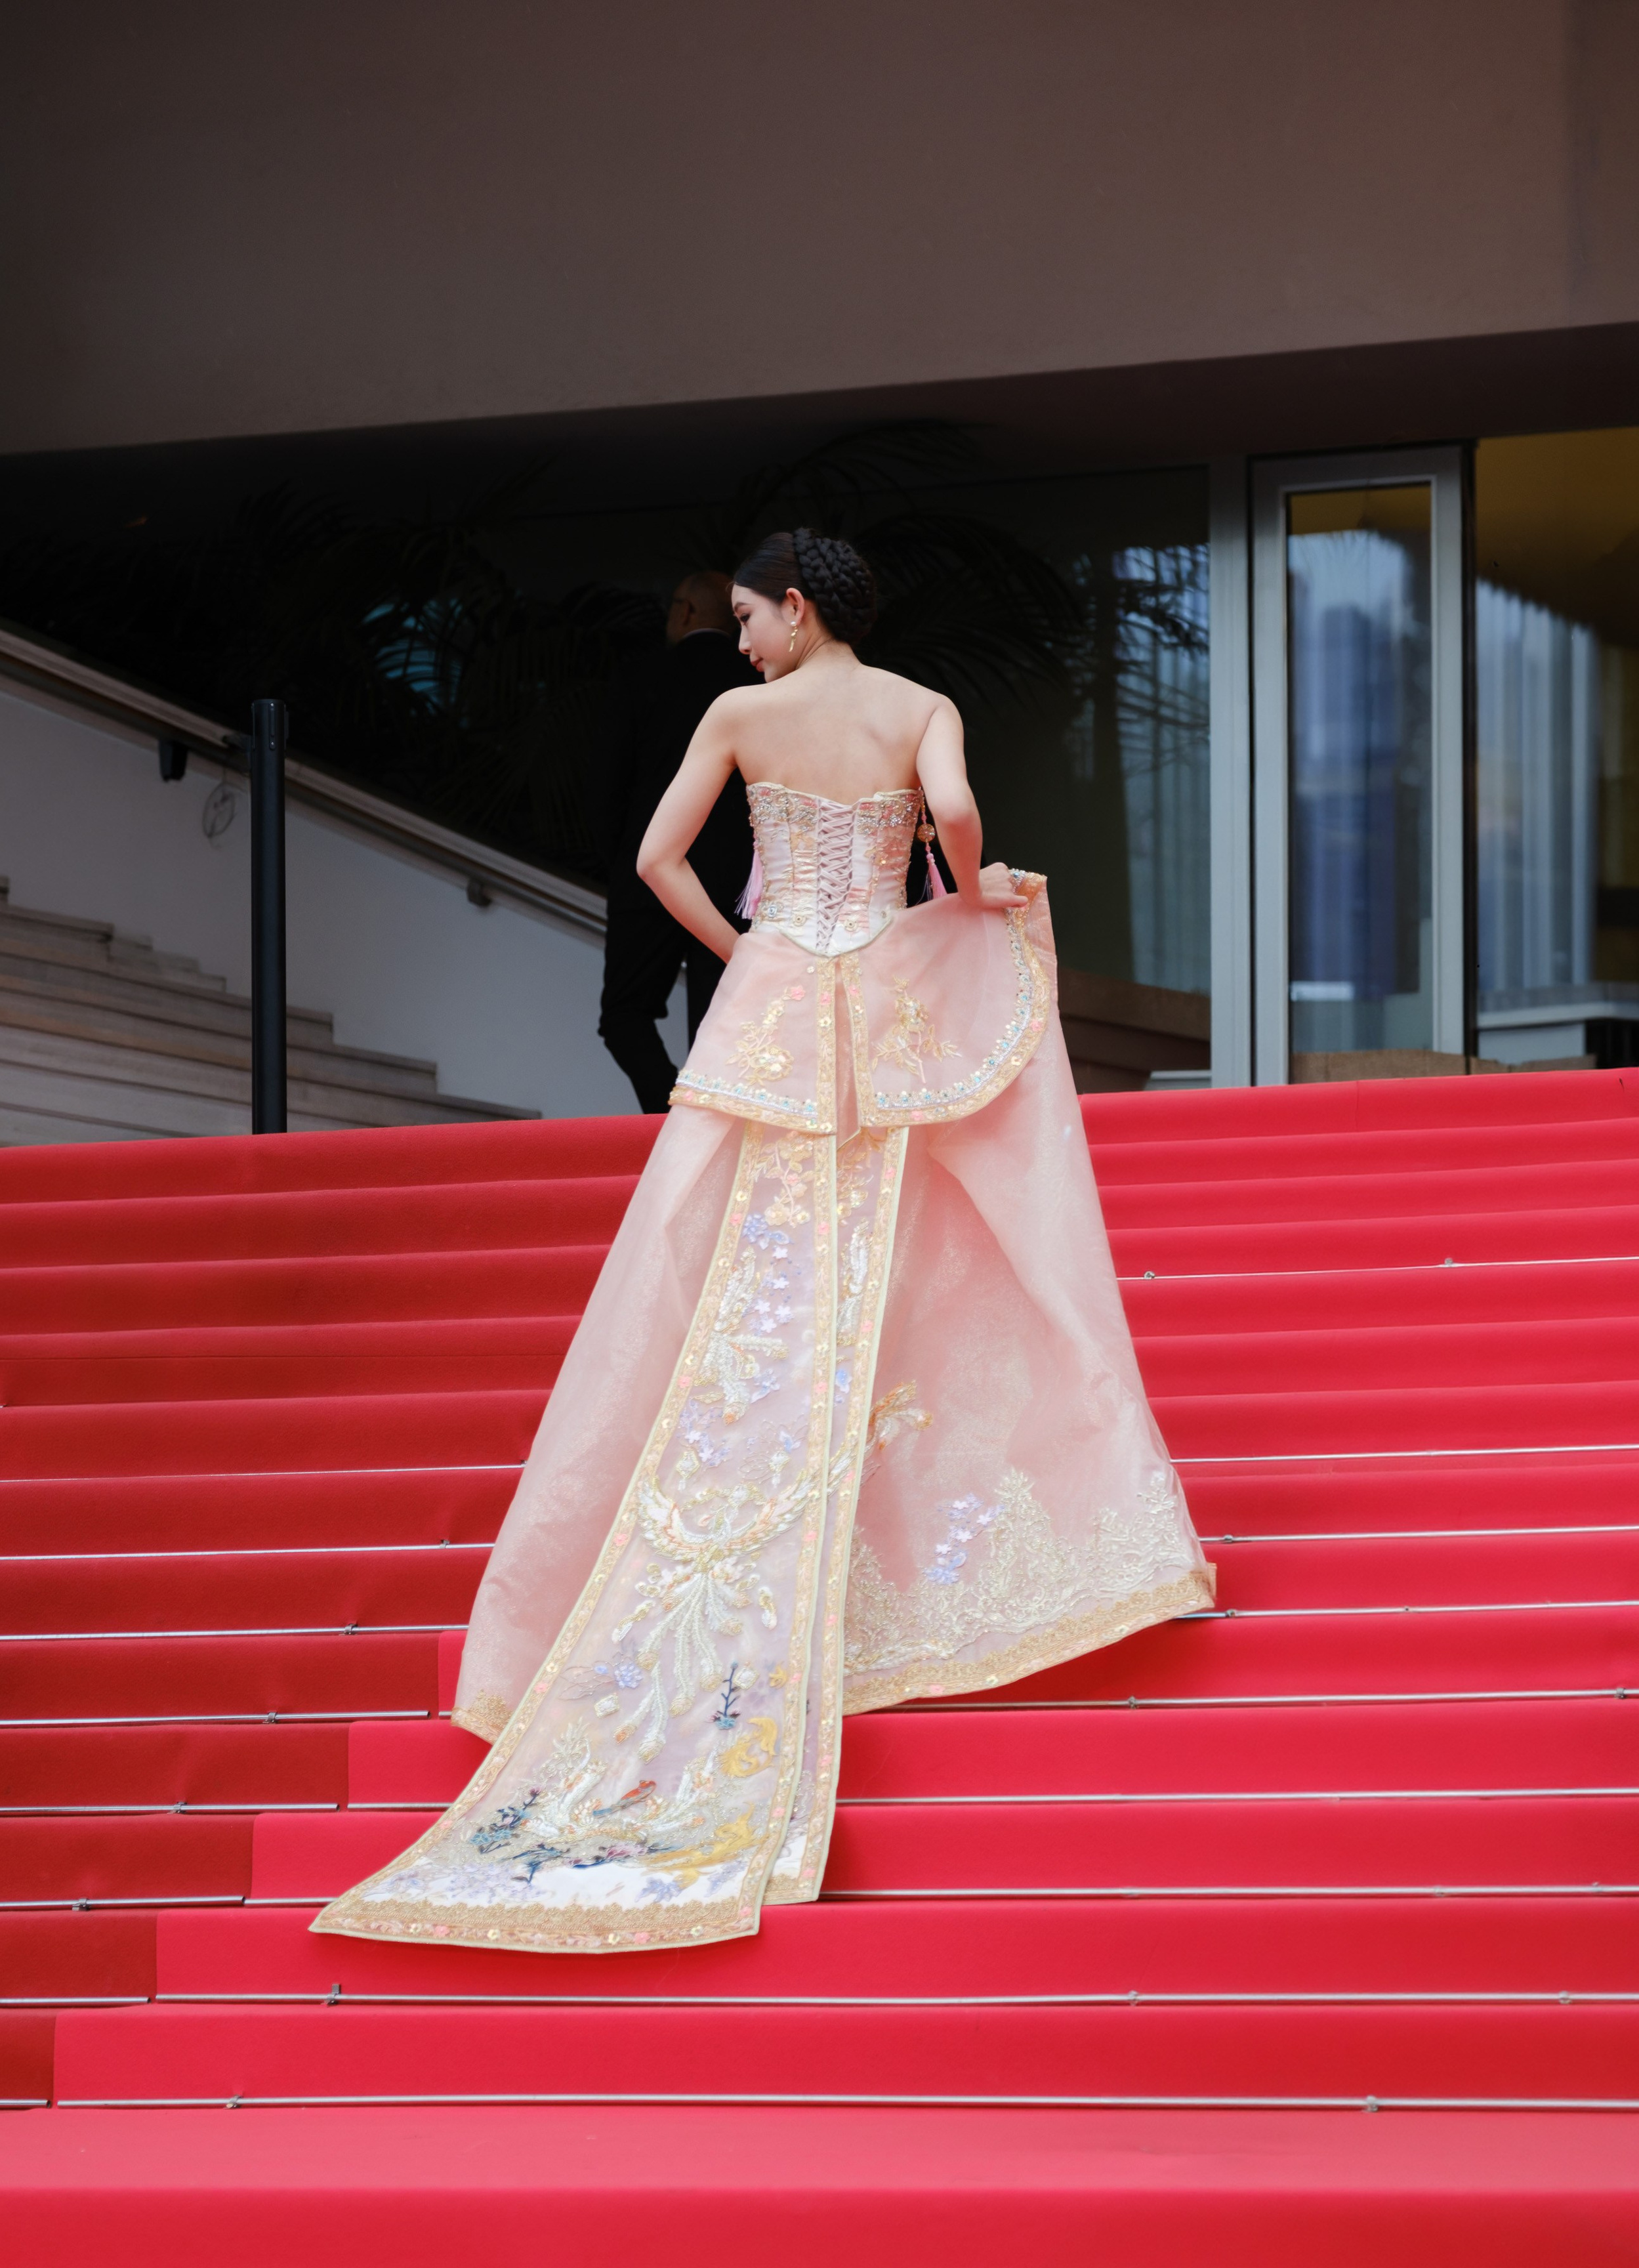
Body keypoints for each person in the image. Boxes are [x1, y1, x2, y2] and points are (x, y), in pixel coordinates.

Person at [316, 526, 1214, 1958]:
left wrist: (744, 955)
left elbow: (657, 857)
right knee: (905, 1257)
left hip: (777, 994)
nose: (733, 644)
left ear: (798, 609)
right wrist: (960, 893)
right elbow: (958, 821)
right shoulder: (921, 706)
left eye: (746, 617)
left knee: (712, 1257)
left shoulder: (741, 719)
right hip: (884, 987)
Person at [591, 569, 759, 1112]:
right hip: (738, 878)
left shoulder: (642, 675)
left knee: (624, 1014)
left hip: (650, 871)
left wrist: (613, 865)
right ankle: (706, 1125)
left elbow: (609, 784)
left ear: (686, 612)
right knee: (719, 1019)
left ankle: (667, 1119)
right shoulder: (758, 680)